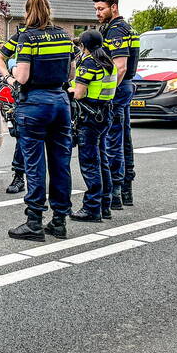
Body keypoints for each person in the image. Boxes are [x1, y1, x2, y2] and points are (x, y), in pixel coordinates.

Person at [5, 0, 76, 242]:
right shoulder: (64, 36)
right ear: (49, 10)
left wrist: (11, 75)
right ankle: (59, 220)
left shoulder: (27, 37)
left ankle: (34, 221)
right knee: (60, 164)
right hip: (60, 102)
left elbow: (22, 76)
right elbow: (71, 72)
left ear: (27, 14)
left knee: (35, 165)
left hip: (34, 103)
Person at [93, 0, 140, 209]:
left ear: (114, 7)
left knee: (112, 140)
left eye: (101, 9)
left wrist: (108, 94)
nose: (98, 13)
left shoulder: (116, 30)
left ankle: (115, 193)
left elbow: (120, 66)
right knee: (124, 139)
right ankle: (126, 190)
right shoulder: (126, 27)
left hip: (118, 89)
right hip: (126, 87)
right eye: (96, 9)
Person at [69, 30, 117, 222]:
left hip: (89, 116)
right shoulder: (108, 62)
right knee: (102, 160)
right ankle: (106, 204)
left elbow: (79, 93)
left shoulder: (89, 63)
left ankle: (91, 208)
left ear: (84, 46)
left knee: (89, 163)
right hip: (105, 114)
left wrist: (70, 88)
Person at [0, 24, 28, 195]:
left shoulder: (55, 35)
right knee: (22, 139)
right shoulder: (20, 36)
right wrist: (9, 77)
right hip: (25, 94)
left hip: (48, 93)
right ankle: (19, 177)